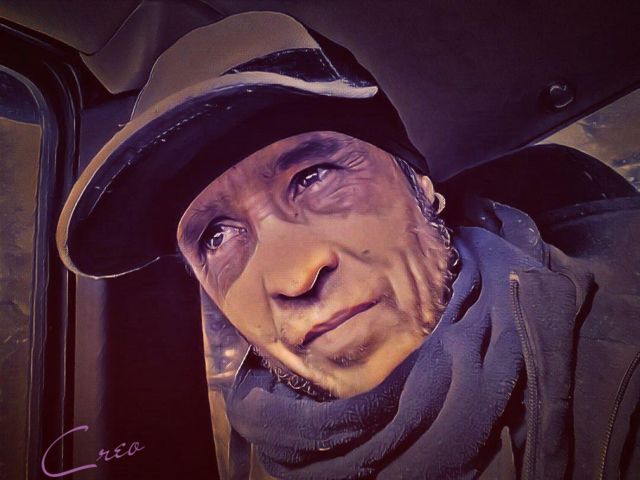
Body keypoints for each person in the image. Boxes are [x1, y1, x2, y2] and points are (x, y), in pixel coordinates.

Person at [56, 11, 640, 479]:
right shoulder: (253, 443)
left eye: (314, 177)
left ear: (422, 188)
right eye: (215, 236)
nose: (294, 277)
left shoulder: (619, 353)